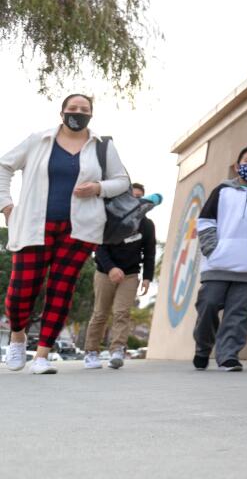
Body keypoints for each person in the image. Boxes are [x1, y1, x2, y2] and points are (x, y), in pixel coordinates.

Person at [0, 94, 130, 375]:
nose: (78, 112)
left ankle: (43, 356)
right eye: (73, 108)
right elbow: (3, 165)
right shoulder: (39, 139)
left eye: (84, 109)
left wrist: (98, 188)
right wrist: (6, 205)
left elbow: (122, 181)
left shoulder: (102, 146)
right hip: (34, 225)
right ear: (62, 112)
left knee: (61, 290)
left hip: (80, 229)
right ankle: (18, 337)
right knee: (22, 290)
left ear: (91, 115)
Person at [192, 146, 247, 372]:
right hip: (217, 264)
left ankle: (228, 356)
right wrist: (212, 249)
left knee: (239, 314)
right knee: (208, 306)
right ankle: (203, 348)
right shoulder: (221, 191)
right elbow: (205, 222)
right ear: (237, 166)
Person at [84, 183, 156, 370]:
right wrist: (111, 269)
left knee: (122, 312)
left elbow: (149, 252)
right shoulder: (109, 218)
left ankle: (117, 351)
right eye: (133, 196)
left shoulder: (147, 225)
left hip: (130, 274)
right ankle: (91, 352)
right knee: (100, 313)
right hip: (105, 272)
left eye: (140, 197)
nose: (136, 200)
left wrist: (147, 277)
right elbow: (99, 248)